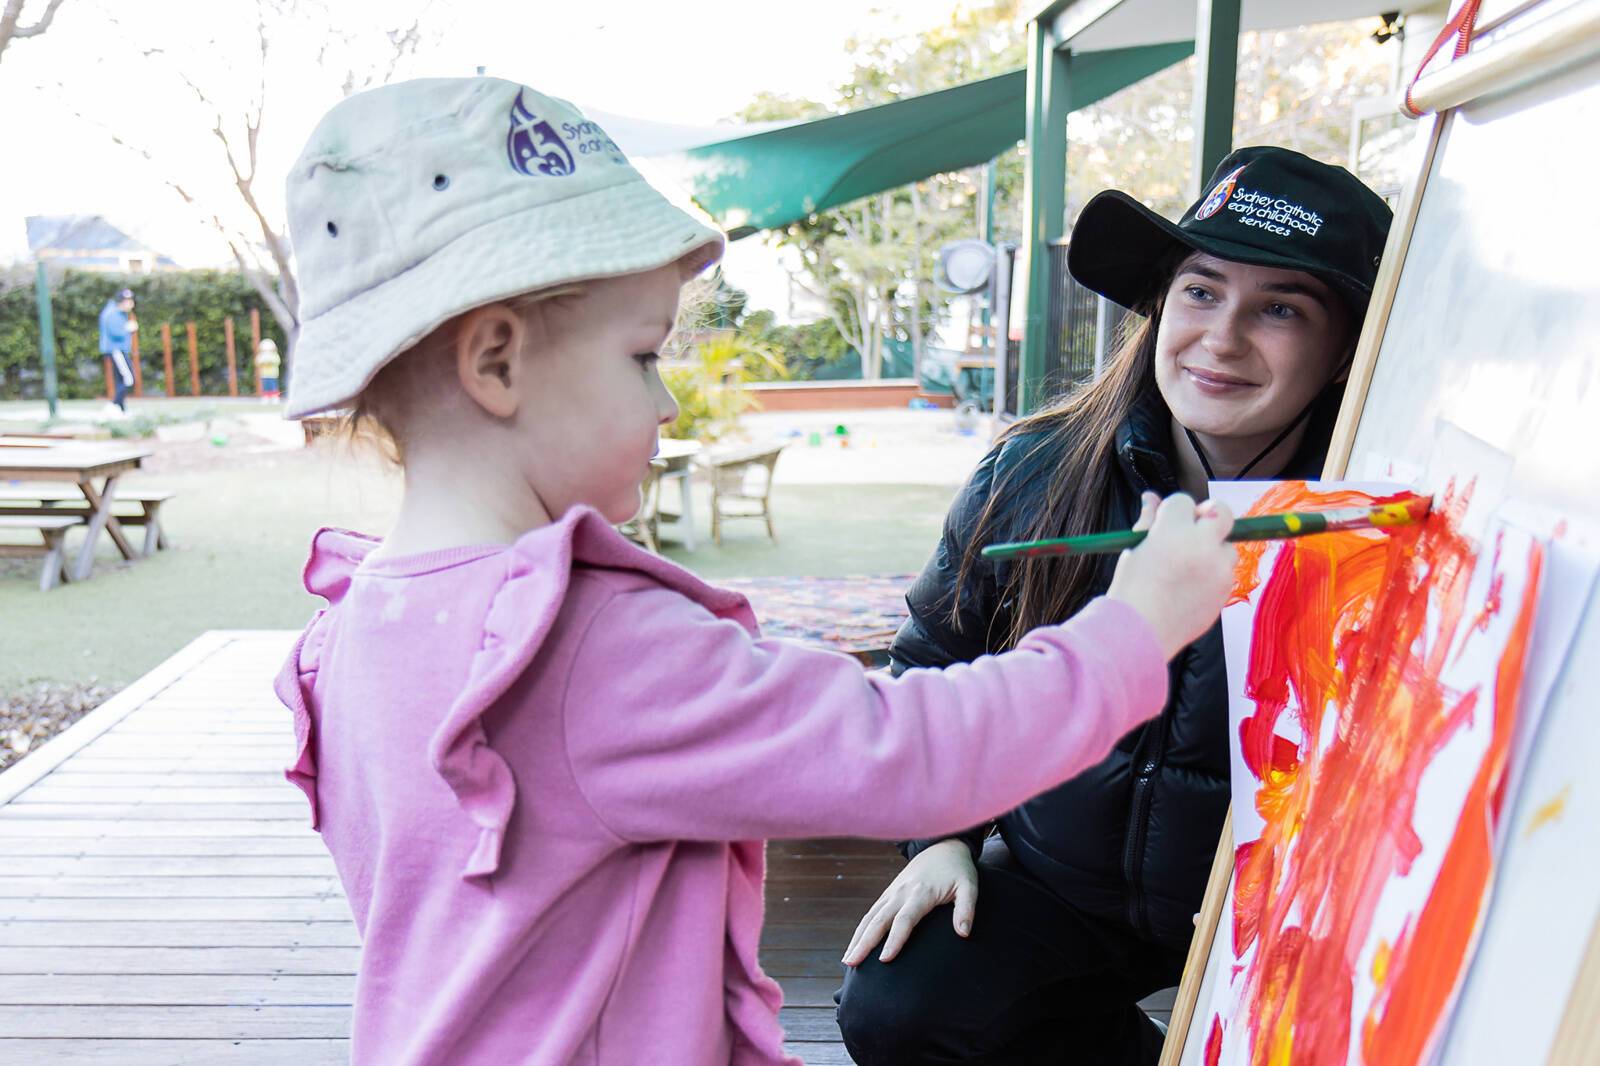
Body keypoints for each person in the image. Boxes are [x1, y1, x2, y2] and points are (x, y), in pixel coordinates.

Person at [272, 77, 1241, 1066]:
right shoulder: (587, 648)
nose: (666, 405)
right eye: (644, 356)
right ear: (496, 363)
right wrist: (1138, 624)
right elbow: (913, 748)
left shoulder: (355, 624)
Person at [834, 146, 1394, 1065]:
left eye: (1281, 309)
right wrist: (940, 837)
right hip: (1062, 878)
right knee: (902, 1001)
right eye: (1201, 291)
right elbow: (935, 661)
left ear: (1345, 353)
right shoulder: (1034, 472)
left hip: (1281, 904)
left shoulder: (1374, 520)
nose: (1221, 337)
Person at [97, 287, 137, 413]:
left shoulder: (118, 313)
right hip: (117, 350)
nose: (131, 304)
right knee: (128, 379)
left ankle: (121, 408)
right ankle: (114, 405)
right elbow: (117, 333)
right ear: (121, 301)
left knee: (120, 380)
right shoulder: (113, 314)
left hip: (118, 350)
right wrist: (129, 328)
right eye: (128, 300)